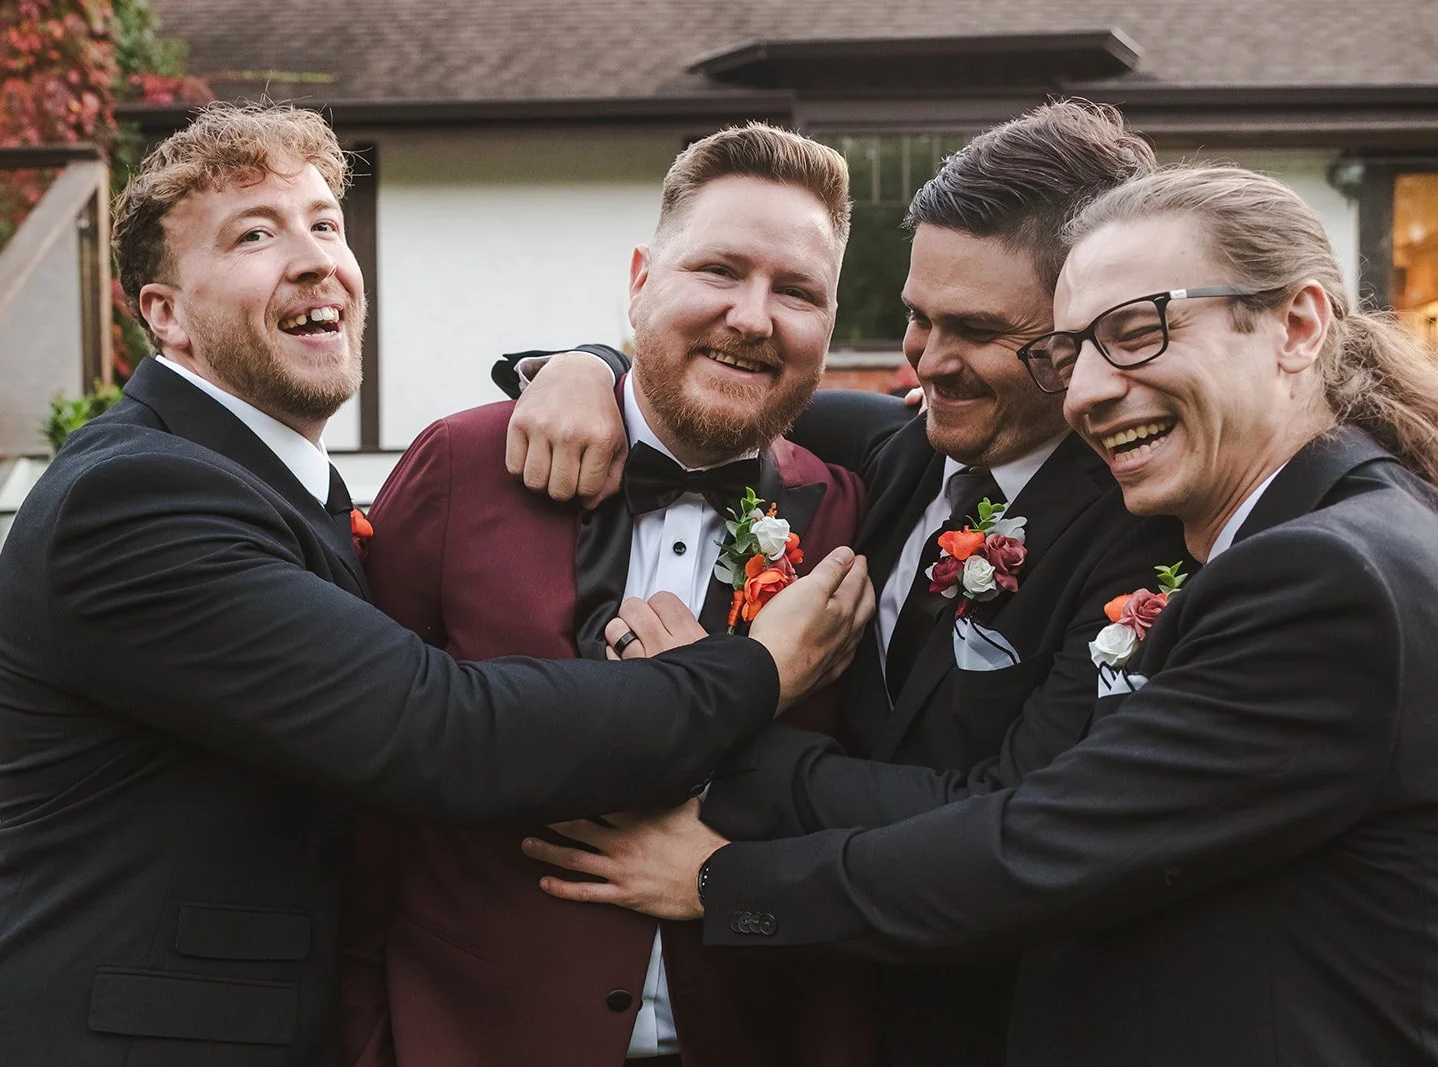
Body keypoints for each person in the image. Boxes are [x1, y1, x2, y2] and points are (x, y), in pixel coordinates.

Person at [0, 103, 870, 1067]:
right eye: (255, 233)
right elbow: (439, 730)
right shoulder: (134, 495)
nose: (313, 258)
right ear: (164, 312)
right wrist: (755, 670)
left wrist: (595, 361)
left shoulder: (290, 491)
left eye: (327, 224)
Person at [527, 163, 1438, 1066]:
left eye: (1135, 332)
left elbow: (1035, 840)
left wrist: (723, 865)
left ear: (1298, 325)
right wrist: (586, 368)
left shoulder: (1331, 574)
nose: (1088, 389)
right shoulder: (911, 452)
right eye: (1071, 350)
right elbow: (723, 390)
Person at [504, 100, 1191, 1065]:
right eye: (918, 316)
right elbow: (723, 379)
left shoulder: (1148, 546)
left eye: (979, 331)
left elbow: (1012, 809)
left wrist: (722, 726)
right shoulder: (883, 448)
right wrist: (585, 366)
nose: (927, 363)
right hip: (818, 1020)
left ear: (1078, 337)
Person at [339, 123, 875, 1067]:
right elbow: (351, 792)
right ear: (639, 280)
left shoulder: (844, 509)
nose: (753, 317)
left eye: (797, 291)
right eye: (718, 270)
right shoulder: (464, 464)